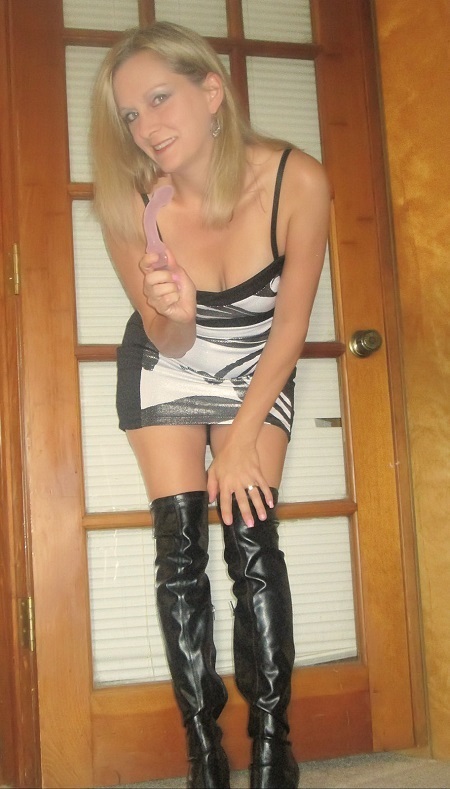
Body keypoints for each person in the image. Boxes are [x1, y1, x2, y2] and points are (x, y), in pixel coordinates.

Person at [91, 20, 330, 789]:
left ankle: (272, 747)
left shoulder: (297, 181)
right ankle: (204, 753)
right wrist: (177, 310)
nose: (145, 126)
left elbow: (289, 326)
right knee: (180, 550)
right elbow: (171, 336)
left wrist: (242, 436)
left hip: (258, 363)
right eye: (130, 113)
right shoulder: (134, 201)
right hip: (167, 363)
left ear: (213, 90)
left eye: (160, 98)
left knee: (253, 541)